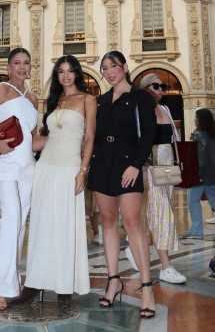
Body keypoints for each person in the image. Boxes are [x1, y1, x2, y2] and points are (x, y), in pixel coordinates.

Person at [18, 55, 97, 305]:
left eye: (70, 71)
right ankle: (33, 283)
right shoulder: (55, 100)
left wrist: (83, 171)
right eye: (61, 71)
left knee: (66, 226)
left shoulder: (88, 99)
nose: (65, 75)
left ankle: (65, 286)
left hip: (70, 168)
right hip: (46, 167)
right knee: (41, 226)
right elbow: (47, 137)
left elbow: (90, 138)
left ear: (77, 74)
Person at [87, 51, 156, 319]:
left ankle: (147, 287)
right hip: (102, 162)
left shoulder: (140, 97)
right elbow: (91, 135)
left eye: (113, 66)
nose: (109, 72)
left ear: (125, 67)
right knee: (107, 221)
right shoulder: (99, 101)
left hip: (129, 162)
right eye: (104, 68)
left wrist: (136, 164)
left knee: (132, 222)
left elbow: (148, 134)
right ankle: (113, 279)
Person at [0, 47, 45, 312]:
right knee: (12, 217)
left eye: (26, 63)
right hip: (5, 164)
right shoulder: (1, 89)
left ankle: (12, 282)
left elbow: (33, 140)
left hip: (28, 167)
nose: (22, 67)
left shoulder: (33, 97)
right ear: (8, 66)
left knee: (19, 225)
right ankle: (3, 287)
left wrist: (63, 139)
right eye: (17, 63)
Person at [137, 73, 186, 284]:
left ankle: (134, 245)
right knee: (161, 213)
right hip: (151, 167)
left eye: (162, 86)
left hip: (167, 166)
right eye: (155, 86)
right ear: (146, 88)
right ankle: (166, 266)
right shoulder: (140, 110)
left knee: (163, 211)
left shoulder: (165, 109)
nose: (160, 90)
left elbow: (173, 140)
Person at [183, 108, 215, 239]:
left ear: (200, 119)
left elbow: (199, 155)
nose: (194, 119)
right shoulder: (213, 133)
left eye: (196, 117)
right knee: (213, 199)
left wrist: (196, 172)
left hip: (201, 172)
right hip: (213, 172)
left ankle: (196, 231)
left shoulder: (198, 134)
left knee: (193, 200)